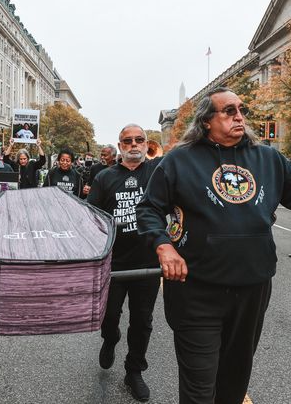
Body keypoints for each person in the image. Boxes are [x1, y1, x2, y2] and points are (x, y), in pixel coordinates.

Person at [136, 87, 291, 404]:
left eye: (242, 110)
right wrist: (164, 246)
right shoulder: (179, 160)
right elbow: (149, 208)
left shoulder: (268, 158)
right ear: (206, 121)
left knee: (234, 380)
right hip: (196, 290)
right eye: (229, 111)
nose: (239, 116)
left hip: (252, 288)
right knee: (199, 387)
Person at [87, 125, 160, 402]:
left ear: (147, 144)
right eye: (127, 141)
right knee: (109, 317)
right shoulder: (105, 177)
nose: (134, 144)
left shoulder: (157, 173)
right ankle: (110, 338)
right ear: (120, 146)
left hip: (148, 263)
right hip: (113, 264)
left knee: (142, 321)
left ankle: (134, 371)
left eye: (139, 140)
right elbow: (92, 216)